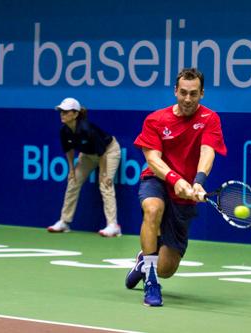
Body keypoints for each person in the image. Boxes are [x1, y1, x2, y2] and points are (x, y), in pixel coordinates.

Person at [125, 68, 227, 306]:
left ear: (202, 93)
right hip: (158, 179)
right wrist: (175, 178)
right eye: (183, 93)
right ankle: (150, 282)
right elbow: (152, 159)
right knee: (152, 209)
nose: (188, 99)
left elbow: (207, 152)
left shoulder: (210, 119)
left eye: (193, 93)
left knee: (167, 268)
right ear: (175, 91)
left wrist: (198, 182)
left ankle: (145, 261)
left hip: (186, 194)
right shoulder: (156, 120)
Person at [47, 97, 122, 237]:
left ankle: (113, 225)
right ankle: (64, 222)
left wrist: (105, 174)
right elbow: (69, 150)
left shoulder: (86, 128)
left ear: (75, 114)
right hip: (87, 155)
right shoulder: (64, 130)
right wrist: (71, 170)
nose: (62, 114)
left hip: (109, 151)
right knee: (73, 182)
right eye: (61, 111)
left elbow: (102, 152)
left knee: (105, 184)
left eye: (66, 112)